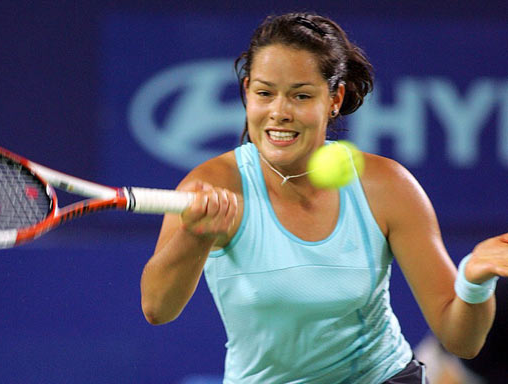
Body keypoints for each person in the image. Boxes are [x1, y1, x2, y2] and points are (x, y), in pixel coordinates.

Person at [139, 12, 507, 383]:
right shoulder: (212, 182)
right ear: (247, 91)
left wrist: (474, 283)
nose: (279, 112)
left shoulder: (386, 186)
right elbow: (157, 309)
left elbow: (463, 342)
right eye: (264, 93)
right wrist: (195, 235)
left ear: (335, 98)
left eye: (301, 95)